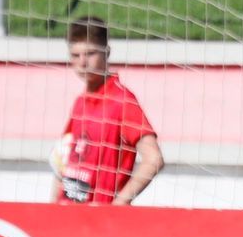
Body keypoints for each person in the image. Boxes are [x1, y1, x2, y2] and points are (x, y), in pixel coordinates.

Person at [52, 16, 163, 206]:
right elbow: (63, 160)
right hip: (67, 213)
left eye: (90, 54)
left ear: (107, 53)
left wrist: (118, 205)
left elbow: (154, 159)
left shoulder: (122, 101)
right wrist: (52, 206)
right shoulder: (80, 102)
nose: (83, 62)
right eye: (75, 56)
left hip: (98, 220)